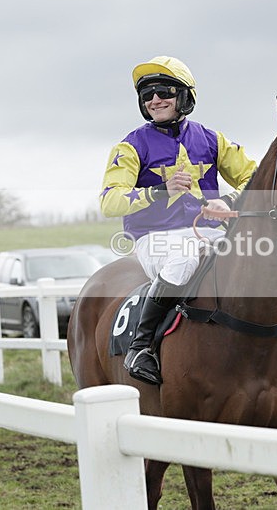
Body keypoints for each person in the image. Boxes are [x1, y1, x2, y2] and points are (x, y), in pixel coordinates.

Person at [100, 56, 257, 385]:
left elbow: (254, 178)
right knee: (184, 260)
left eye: (163, 91)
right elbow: (110, 201)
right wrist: (158, 190)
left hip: (208, 231)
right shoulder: (130, 146)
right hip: (156, 239)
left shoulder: (213, 139)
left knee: (258, 258)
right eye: (147, 95)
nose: (154, 99)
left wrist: (227, 200)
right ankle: (142, 346)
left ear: (185, 96)